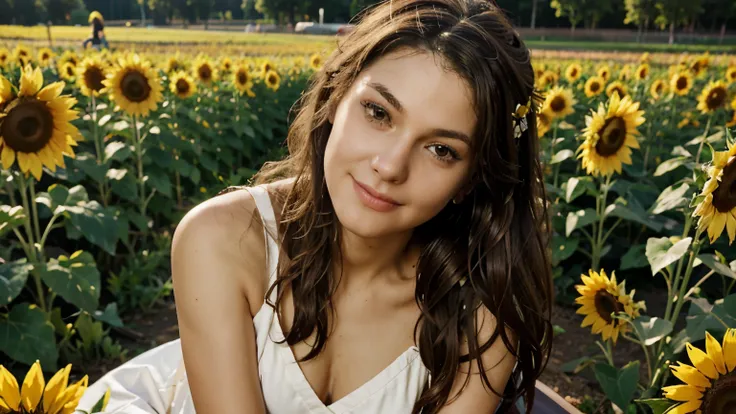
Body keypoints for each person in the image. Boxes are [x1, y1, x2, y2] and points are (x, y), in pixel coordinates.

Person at [77, 0, 554, 412]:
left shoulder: (485, 312)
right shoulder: (221, 240)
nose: (389, 166)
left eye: (441, 150)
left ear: (470, 181)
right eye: (378, 113)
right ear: (335, 96)